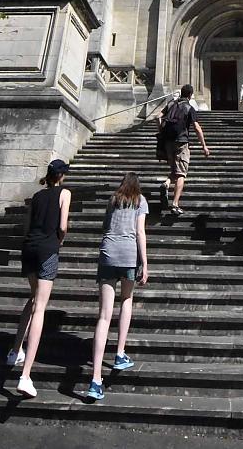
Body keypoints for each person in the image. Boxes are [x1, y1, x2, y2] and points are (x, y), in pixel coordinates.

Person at [85, 172, 149, 401]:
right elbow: (140, 232)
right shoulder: (140, 201)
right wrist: (146, 263)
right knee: (127, 300)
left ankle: (95, 379)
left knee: (103, 316)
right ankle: (120, 353)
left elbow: (105, 226)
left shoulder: (113, 199)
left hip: (108, 253)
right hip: (129, 254)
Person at [11, 159, 72, 398]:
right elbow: (63, 225)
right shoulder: (64, 193)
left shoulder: (37, 196)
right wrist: (59, 241)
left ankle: (15, 350)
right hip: (47, 248)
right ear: (62, 176)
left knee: (34, 298)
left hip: (29, 248)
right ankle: (25, 376)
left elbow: (26, 226)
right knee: (41, 308)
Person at [157, 84, 210, 216]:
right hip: (181, 142)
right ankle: (175, 204)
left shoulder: (171, 104)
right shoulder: (189, 108)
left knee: (175, 169)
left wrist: (161, 132)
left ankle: (167, 182)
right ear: (190, 95)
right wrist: (204, 145)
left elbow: (158, 116)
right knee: (181, 173)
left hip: (168, 142)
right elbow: (197, 128)